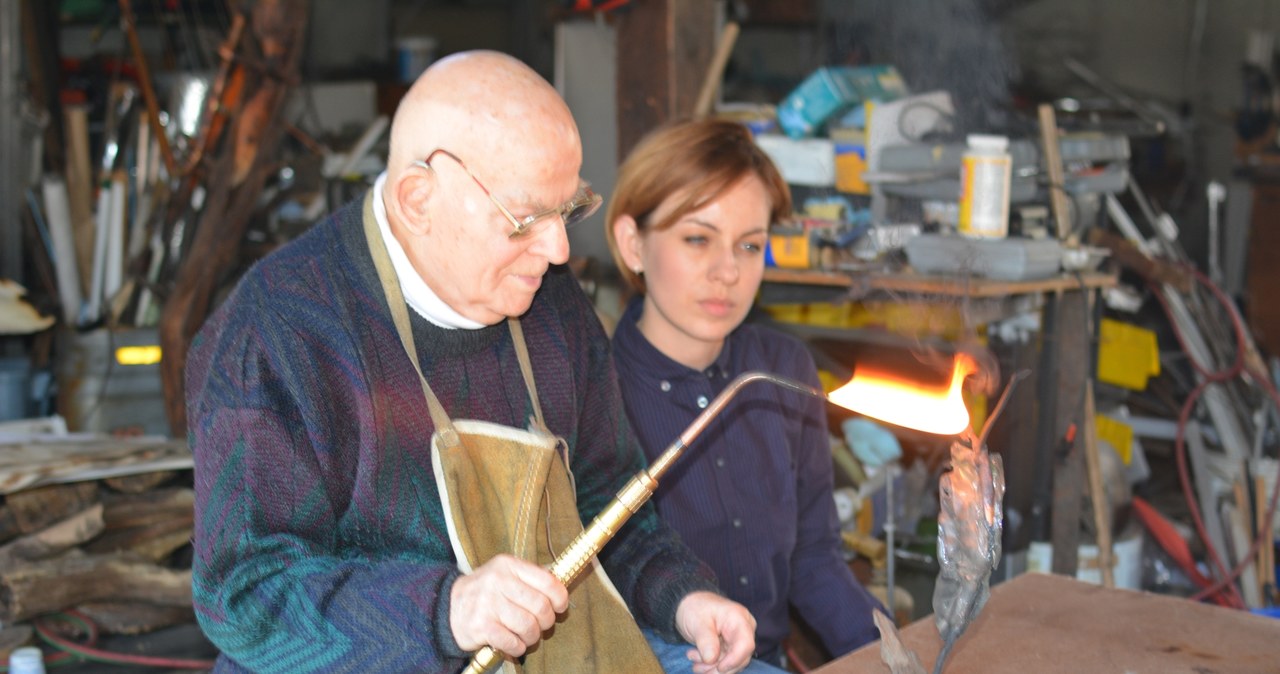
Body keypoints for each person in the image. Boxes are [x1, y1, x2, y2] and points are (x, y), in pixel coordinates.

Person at [185, 51, 766, 674]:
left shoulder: (551, 301)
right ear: (417, 199)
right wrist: (450, 610)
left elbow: (606, 502)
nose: (559, 248)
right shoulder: (282, 326)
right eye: (527, 218)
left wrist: (684, 598)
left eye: (568, 210)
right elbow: (242, 594)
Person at [605, 118, 889, 668]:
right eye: (697, 239)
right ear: (632, 243)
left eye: (750, 246)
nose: (728, 271)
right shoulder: (595, 395)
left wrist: (890, 655)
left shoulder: (783, 370)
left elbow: (814, 558)